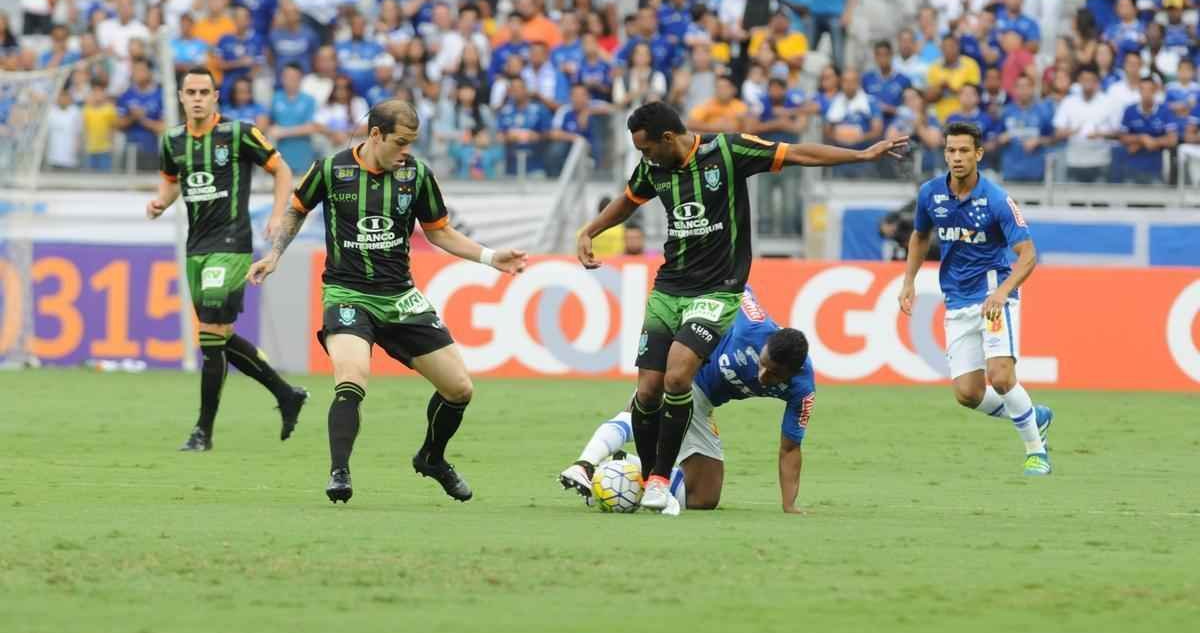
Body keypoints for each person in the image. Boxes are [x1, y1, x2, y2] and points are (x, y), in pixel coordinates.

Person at [575, 102, 906, 515]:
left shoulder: (729, 152)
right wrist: (591, 229)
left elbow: (797, 153)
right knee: (646, 390)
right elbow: (628, 201)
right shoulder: (653, 170)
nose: (645, 158)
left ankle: (659, 481)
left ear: (667, 138)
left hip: (718, 288)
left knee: (678, 376)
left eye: (646, 149)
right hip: (669, 286)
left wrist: (859, 154)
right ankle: (643, 473)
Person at [245, 100, 529, 503]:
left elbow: (440, 233)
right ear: (375, 135)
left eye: (412, 142)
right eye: (400, 141)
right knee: (352, 376)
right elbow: (296, 210)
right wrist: (274, 254)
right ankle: (339, 473)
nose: (406, 150)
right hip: (347, 293)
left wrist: (489, 256)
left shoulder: (416, 174)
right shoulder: (332, 169)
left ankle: (432, 457)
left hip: (400, 297)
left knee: (460, 389)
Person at [145, 67, 307, 453]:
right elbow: (171, 181)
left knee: (212, 335)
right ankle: (286, 393)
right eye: (191, 92)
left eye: (205, 91)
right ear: (181, 97)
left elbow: (281, 170)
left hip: (231, 243)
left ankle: (203, 431)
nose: (198, 98)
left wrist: (276, 214)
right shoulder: (172, 141)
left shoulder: (237, 133)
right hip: (196, 247)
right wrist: (159, 202)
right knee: (217, 336)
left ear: (216, 97)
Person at [558, 288, 815, 514]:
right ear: (765, 346)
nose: (762, 375)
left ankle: (625, 467)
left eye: (774, 375)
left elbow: (790, 449)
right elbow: (731, 285)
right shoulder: (753, 324)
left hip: (704, 401)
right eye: (762, 364)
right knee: (647, 403)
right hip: (686, 371)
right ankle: (585, 464)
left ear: (794, 371)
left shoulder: (802, 389)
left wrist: (789, 504)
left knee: (704, 498)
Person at [898, 121, 1053, 477]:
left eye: (964, 150)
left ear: (978, 154)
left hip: (993, 296)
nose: (956, 157)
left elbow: (1028, 254)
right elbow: (920, 236)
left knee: (1000, 377)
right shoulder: (931, 194)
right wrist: (909, 280)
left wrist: (1001, 292)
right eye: (951, 150)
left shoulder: (997, 199)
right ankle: (1033, 415)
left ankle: (1036, 452)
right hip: (956, 300)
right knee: (967, 393)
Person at [1112, 73, 1178, 184]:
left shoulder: (1164, 111)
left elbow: (1173, 139)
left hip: (1156, 168)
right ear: (1139, 90)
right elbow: (1122, 137)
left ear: (1155, 91)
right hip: (1132, 167)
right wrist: (1142, 138)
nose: (1146, 93)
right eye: (1143, 89)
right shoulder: (1130, 110)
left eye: (1150, 90)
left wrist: (1154, 142)